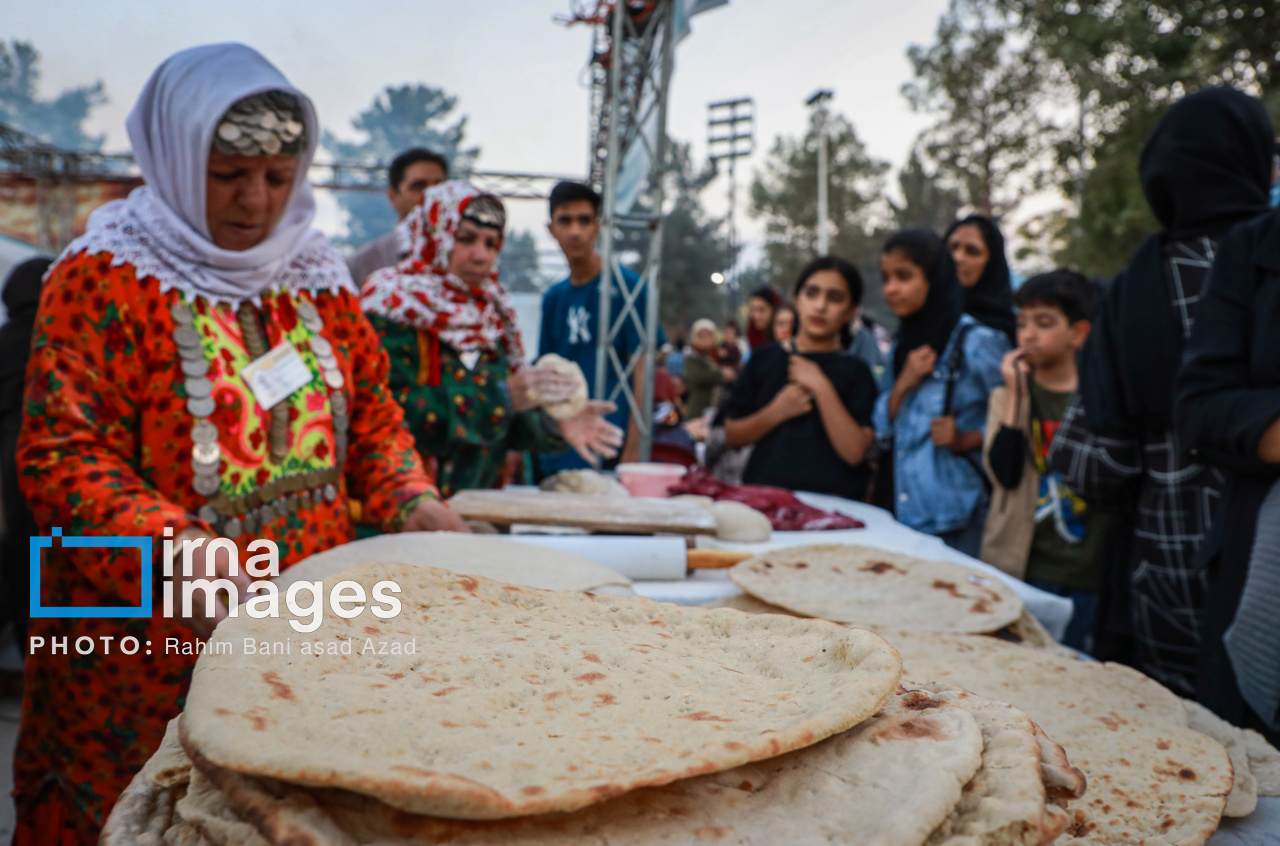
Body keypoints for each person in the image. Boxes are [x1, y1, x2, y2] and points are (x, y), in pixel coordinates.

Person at [11, 44, 470, 845]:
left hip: (303, 631)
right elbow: (64, 451)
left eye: (278, 176)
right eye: (228, 175)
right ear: (178, 155)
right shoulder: (104, 278)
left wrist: (411, 496)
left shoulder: (317, 279)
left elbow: (373, 419)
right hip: (144, 652)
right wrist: (174, 545)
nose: (255, 201)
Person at [1049, 87, 1275, 697]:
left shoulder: (1134, 289)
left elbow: (1094, 461)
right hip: (1266, 569)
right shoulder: (1262, 266)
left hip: (1162, 567)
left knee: (1184, 761)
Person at [360, 181, 623, 497]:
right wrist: (501, 397)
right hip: (404, 509)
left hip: (478, 510)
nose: (481, 256)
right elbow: (387, 413)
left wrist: (554, 424)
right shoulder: (391, 306)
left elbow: (501, 422)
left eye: (491, 244)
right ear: (433, 235)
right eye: (466, 239)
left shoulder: (491, 314)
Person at [979, 270, 1105, 652]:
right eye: (1022, 323)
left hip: (1088, 570)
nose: (1028, 334)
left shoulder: (1101, 396)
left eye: (1044, 323)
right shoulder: (1006, 397)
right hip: (1023, 565)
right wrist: (1017, 396)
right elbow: (1004, 473)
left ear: (1078, 334)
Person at [874, 230, 1009, 556]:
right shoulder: (902, 343)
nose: (891, 288)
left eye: (903, 276)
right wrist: (904, 382)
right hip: (902, 512)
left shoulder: (977, 342)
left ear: (934, 278)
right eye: (886, 278)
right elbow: (881, 426)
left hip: (957, 518)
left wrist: (966, 438)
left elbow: (1014, 418)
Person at [724, 256, 877, 500]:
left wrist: (820, 385)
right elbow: (732, 435)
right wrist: (777, 411)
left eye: (834, 298)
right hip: (765, 501)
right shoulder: (764, 359)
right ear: (797, 298)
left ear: (851, 311)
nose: (820, 306)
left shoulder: (856, 371)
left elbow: (855, 452)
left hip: (836, 510)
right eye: (812, 294)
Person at [536, 181, 662, 475]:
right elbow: (546, 373)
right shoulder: (553, 298)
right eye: (565, 221)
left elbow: (644, 374)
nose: (575, 231)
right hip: (560, 450)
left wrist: (632, 456)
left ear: (598, 227)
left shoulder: (629, 289)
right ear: (551, 228)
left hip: (609, 449)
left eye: (584, 220)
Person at [0, 256, 51, 652]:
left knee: (22, 547)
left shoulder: (6, 339)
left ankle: (27, 638)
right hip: (56, 451)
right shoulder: (63, 334)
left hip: (11, 453)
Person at [345, 147, 449, 285]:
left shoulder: (471, 259)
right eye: (418, 186)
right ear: (393, 197)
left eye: (440, 186)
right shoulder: (362, 264)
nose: (431, 194)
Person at [945, 215, 1017, 345]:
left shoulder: (1011, 327)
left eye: (972, 251)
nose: (957, 258)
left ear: (992, 263)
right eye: (952, 248)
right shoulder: (925, 314)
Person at [683, 318, 733, 419]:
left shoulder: (717, 355)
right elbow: (697, 376)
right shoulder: (692, 357)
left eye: (709, 334)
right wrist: (721, 375)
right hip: (698, 410)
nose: (705, 338)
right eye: (701, 335)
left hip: (718, 408)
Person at [745, 285, 782, 351]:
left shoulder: (785, 342)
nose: (756, 316)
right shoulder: (751, 340)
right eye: (752, 310)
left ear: (775, 311)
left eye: (761, 310)